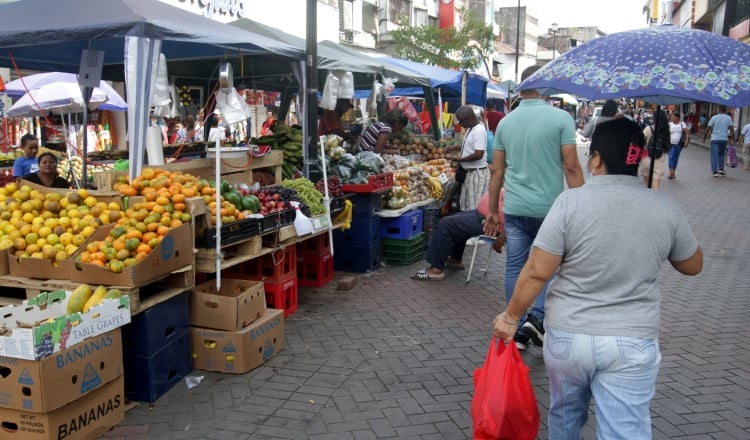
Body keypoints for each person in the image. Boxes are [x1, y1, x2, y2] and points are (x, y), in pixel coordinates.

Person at [491, 117, 703, 440]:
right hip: (631, 341)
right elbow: (693, 265)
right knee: (624, 431)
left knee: (564, 417)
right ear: (639, 159)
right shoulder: (663, 207)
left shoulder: (569, 203)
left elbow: (537, 270)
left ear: (596, 159)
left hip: (567, 338)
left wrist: (511, 317)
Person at [483, 65, 585, 351]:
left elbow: (497, 172)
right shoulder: (561, 119)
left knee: (515, 267)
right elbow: (571, 166)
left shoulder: (506, 122)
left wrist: (493, 209)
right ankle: (536, 319)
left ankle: (515, 325)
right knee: (546, 269)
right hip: (550, 210)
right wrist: (584, 203)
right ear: (545, 84)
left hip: (515, 208)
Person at [412, 190, 505, 281]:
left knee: (446, 224)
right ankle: (455, 259)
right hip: (482, 214)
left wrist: (502, 235)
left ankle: (436, 270)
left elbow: (516, 217)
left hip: (491, 222)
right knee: (456, 218)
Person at [449, 105, 488, 212]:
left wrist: (459, 160)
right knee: (466, 206)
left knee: (475, 209)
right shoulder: (471, 128)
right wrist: (454, 147)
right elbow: (469, 145)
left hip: (477, 174)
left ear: (469, 119)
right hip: (469, 174)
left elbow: (478, 154)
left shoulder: (478, 130)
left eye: (461, 122)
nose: (460, 125)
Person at [639, 109, 670, 190]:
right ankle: (655, 200)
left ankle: (647, 200)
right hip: (659, 158)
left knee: (646, 184)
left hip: (646, 156)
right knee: (656, 185)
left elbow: (641, 141)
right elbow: (667, 145)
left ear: (654, 118)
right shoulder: (666, 130)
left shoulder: (648, 129)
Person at [702, 105, 734, 177]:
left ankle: (715, 171)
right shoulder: (729, 118)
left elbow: (708, 128)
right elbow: (731, 129)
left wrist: (704, 137)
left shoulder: (714, 117)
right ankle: (721, 169)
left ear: (718, 109)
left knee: (714, 155)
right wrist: (732, 139)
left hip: (715, 139)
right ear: (725, 110)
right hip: (724, 139)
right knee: (722, 154)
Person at [667, 112, 690, 180]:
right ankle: (670, 172)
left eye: (673, 117)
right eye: (671, 117)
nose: (672, 118)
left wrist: (686, 142)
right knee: (671, 157)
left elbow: (687, 133)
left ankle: (674, 171)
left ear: (677, 118)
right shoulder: (669, 124)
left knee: (675, 157)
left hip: (679, 144)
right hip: (670, 144)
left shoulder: (682, 124)